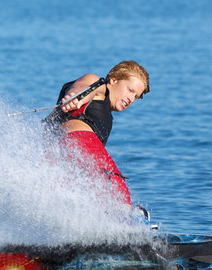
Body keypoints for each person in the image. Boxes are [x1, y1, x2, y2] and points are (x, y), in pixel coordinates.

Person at [43, 60, 150, 206]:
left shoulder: (107, 117)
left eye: (136, 97)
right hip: (77, 141)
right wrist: (76, 97)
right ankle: (124, 218)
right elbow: (86, 87)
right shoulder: (99, 86)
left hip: (58, 155)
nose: (131, 99)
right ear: (113, 80)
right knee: (115, 185)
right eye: (130, 90)